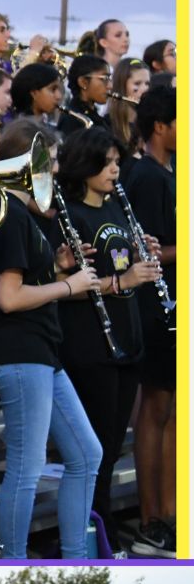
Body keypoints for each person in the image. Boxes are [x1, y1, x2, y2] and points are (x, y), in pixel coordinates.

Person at [0, 119, 102, 557]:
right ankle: (14, 561)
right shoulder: (8, 214)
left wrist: (59, 267)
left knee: (86, 453)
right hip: (17, 350)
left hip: (38, 349)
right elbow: (8, 298)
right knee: (27, 468)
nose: (58, 169)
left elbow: (25, 282)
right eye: (51, 159)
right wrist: (71, 285)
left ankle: (75, 558)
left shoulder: (19, 215)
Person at [51, 125, 162, 552]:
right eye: (109, 163)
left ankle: (102, 525)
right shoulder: (69, 215)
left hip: (126, 339)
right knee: (92, 451)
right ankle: (93, 533)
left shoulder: (118, 205)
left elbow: (122, 262)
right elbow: (73, 282)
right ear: (87, 164)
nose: (116, 170)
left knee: (112, 448)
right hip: (89, 344)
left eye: (118, 162)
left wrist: (140, 254)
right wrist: (123, 279)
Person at [124, 86, 177, 557]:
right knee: (155, 412)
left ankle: (172, 513)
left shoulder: (169, 172)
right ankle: (150, 519)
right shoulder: (146, 177)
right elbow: (149, 249)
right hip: (156, 309)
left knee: (175, 413)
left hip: (177, 302)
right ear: (160, 126)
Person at [108, 57, 151, 160]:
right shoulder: (108, 124)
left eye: (147, 84)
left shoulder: (149, 123)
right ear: (121, 86)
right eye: (137, 83)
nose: (145, 89)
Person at [58, 54, 113, 135]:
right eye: (104, 79)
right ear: (83, 82)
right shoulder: (73, 119)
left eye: (109, 79)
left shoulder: (94, 115)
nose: (110, 86)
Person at [9, 62, 65, 127]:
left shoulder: (46, 125)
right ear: (34, 93)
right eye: (53, 89)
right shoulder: (20, 131)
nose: (59, 96)